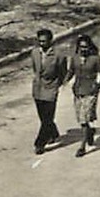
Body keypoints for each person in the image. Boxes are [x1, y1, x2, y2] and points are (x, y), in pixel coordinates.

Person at [67, 34, 100, 157]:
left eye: (85, 47)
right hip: (78, 91)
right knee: (81, 119)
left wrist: (97, 87)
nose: (83, 50)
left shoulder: (95, 59)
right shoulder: (74, 58)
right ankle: (89, 132)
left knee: (84, 118)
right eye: (81, 47)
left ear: (90, 47)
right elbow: (71, 72)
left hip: (90, 92)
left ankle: (82, 147)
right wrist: (63, 81)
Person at [29, 27, 66, 155]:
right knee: (43, 117)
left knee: (48, 117)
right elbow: (35, 69)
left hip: (51, 88)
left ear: (50, 41)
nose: (41, 43)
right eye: (39, 41)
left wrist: (56, 85)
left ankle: (40, 144)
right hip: (38, 88)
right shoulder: (34, 52)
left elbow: (62, 72)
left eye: (44, 41)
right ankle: (53, 133)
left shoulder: (59, 55)